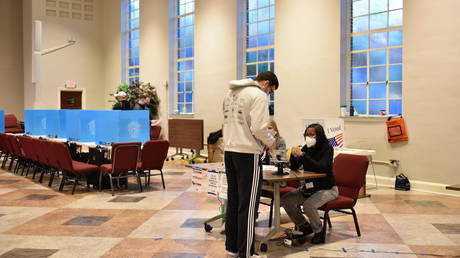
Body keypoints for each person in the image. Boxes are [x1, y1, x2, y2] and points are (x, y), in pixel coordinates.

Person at [223, 71, 279, 258]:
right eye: (271, 90)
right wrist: (270, 141)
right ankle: (246, 251)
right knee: (248, 205)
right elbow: (258, 128)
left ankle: (232, 247)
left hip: (229, 151)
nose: (269, 94)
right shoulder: (258, 95)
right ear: (265, 83)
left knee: (234, 201)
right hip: (247, 153)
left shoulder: (231, 93)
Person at [280, 123, 338, 244]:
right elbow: (294, 167)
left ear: (319, 135)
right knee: (286, 200)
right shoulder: (307, 148)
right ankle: (304, 226)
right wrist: (294, 155)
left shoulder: (327, 148)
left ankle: (319, 231)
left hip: (327, 189)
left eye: (311, 135)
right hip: (309, 188)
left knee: (308, 205)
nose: (308, 137)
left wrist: (303, 155)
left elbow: (321, 167)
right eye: (306, 134)